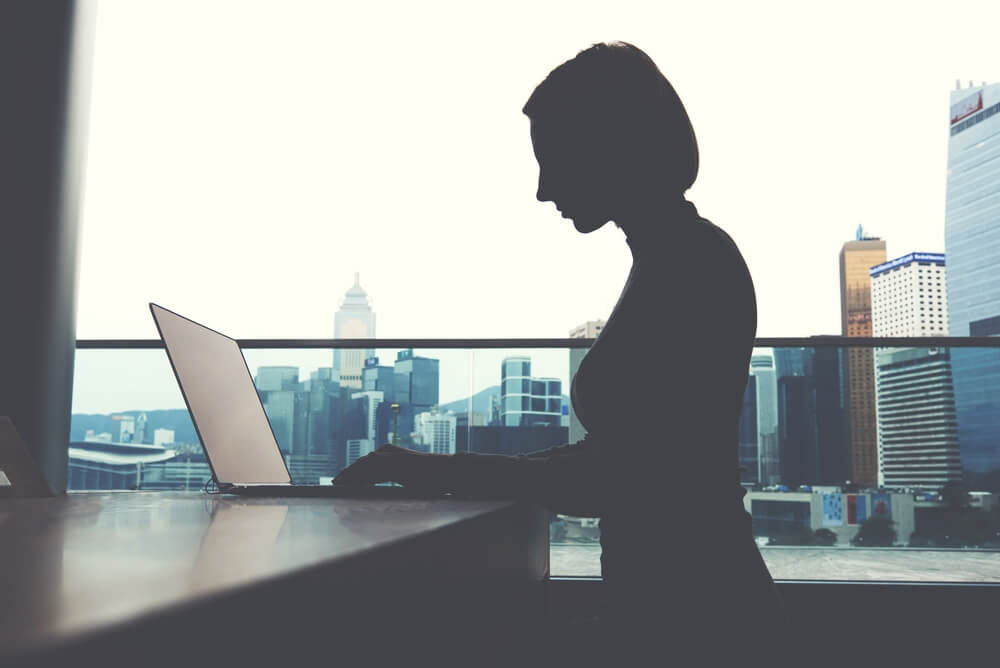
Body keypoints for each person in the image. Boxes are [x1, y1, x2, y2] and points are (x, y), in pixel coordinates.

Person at [334, 42, 800, 666]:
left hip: (699, 630)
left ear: (614, 147)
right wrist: (427, 465)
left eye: (552, 160)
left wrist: (428, 469)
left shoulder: (691, 264)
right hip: (682, 616)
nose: (541, 189)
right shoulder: (674, 256)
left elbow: (619, 478)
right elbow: (620, 457)